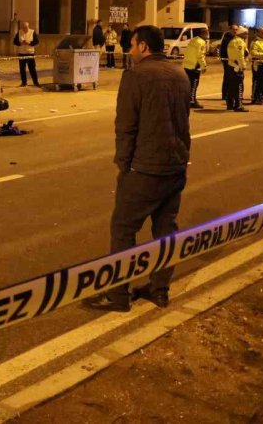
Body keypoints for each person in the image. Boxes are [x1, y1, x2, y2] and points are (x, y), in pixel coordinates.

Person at [85, 25, 191, 312]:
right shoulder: (181, 74)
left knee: (123, 229)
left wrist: (124, 165)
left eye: (132, 45)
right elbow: (183, 121)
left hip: (145, 168)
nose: (130, 51)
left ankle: (118, 295)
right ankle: (160, 290)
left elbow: (126, 126)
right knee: (165, 229)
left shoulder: (136, 76)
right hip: (176, 166)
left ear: (143, 47)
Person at [182, 27, 208, 109]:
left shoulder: (193, 40)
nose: (207, 36)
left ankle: (187, 100)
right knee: (194, 85)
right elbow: (200, 55)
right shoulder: (201, 42)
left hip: (187, 66)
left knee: (188, 85)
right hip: (194, 67)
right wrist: (204, 66)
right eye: (206, 34)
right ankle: (192, 101)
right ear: (203, 34)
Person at [225, 26, 250, 112]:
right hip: (237, 67)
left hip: (231, 66)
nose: (247, 35)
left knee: (231, 86)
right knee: (239, 86)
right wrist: (243, 67)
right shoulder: (240, 42)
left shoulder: (232, 41)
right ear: (242, 34)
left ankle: (230, 105)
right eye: (246, 33)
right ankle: (238, 105)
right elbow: (240, 56)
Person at [13, 20, 40, 87]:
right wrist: (20, 43)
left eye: (26, 27)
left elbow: (37, 41)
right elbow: (14, 41)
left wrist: (30, 43)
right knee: (22, 69)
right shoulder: (19, 32)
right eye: (23, 27)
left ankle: (35, 82)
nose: (24, 29)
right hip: (21, 53)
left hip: (30, 53)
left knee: (32, 69)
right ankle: (24, 83)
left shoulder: (32, 32)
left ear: (28, 27)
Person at [219, 24, 237, 103]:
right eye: (234, 29)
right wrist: (225, 59)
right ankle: (225, 94)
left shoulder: (234, 38)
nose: (235, 31)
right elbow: (223, 51)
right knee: (227, 77)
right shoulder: (227, 39)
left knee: (231, 77)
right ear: (230, 30)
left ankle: (228, 94)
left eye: (236, 29)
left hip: (232, 60)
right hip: (227, 60)